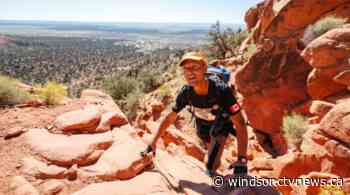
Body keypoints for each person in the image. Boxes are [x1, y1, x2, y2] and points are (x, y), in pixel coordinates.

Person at [145, 51, 248, 176]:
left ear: (205, 68)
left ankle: (214, 162)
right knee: (208, 143)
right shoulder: (187, 93)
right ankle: (214, 152)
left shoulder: (221, 90)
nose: (190, 72)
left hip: (220, 123)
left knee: (210, 165)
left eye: (194, 67)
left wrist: (242, 160)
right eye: (186, 69)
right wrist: (153, 141)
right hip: (202, 124)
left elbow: (240, 123)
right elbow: (169, 118)